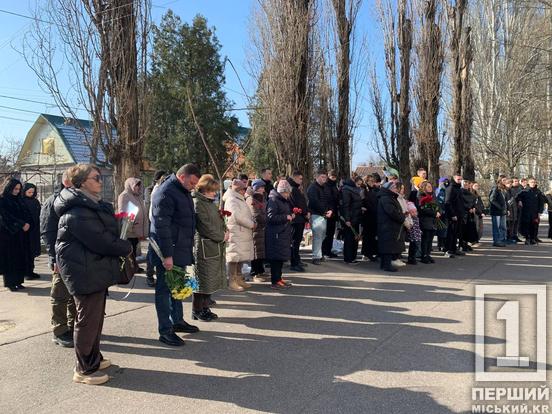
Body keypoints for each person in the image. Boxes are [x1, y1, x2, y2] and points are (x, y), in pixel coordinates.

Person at [54, 164, 132, 385]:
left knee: (95, 319)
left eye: (100, 177)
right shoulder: (77, 211)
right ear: (81, 183)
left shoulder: (90, 205)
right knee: (87, 321)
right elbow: (101, 241)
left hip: (92, 269)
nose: (100, 181)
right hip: (84, 272)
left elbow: (105, 233)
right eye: (96, 177)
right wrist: (124, 247)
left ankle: (93, 358)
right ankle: (84, 369)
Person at [150, 164, 201, 347]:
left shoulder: (182, 190)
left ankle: (177, 320)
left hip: (181, 248)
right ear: (182, 176)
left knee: (178, 287)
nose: (194, 186)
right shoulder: (165, 192)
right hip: (168, 251)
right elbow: (161, 227)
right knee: (164, 291)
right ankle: (165, 330)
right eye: (192, 182)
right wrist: (167, 255)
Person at [41, 168, 77, 348]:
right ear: (66, 182)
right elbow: (47, 231)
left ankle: (73, 325)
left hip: (75, 256)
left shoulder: (76, 200)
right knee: (60, 294)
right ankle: (60, 331)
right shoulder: (53, 201)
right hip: (60, 257)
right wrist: (53, 258)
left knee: (73, 294)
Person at [192, 175, 228, 322]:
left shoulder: (209, 202)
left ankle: (205, 307)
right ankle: (197, 310)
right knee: (202, 280)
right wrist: (221, 236)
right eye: (212, 190)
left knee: (210, 281)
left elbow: (216, 222)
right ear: (204, 189)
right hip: (204, 247)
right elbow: (205, 226)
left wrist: (225, 231)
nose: (215, 193)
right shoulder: (198, 203)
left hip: (213, 246)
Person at [0, 178, 32, 291]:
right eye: (15, 189)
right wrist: (21, 224)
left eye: (19, 189)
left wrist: (27, 223)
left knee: (19, 258)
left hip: (20, 234)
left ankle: (18, 281)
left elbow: (26, 213)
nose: (17, 191)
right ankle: (10, 283)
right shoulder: (2, 200)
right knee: (10, 260)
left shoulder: (19, 200)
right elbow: (5, 216)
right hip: (8, 235)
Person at [225, 179, 255, 291]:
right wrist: (251, 224)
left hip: (241, 232)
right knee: (234, 257)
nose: (244, 191)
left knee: (240, 257)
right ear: (238, 189)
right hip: (236, 232)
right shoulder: (232, 199)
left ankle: (239, 279)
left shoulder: (239, 199)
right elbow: (236, 216)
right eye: (242, 189)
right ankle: (232, 281)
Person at [266, 180, 294, 289]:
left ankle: (279, 278)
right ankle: (275, 280)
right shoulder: (273, 200)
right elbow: (270, 217)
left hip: (282, 232)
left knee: (280, 258)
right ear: (282, 191)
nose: (288, 195)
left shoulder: (283, 200)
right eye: (286, 193)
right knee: (276, 258)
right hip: (275, 234)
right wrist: (285, 217)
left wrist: (290, 216)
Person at [118, 177, 149, 271]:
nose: (138, 188)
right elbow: (123, 213)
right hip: (130, 230)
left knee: (134, 250)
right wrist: (130, 227)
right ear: (130, 185)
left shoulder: (138, 196)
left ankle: (133, 267)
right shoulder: (124, 195)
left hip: (137, 230)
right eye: (136, 185)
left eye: (139, 186)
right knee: (129, 250)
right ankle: (127, 268)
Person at [377, 181, 406, 272]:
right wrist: (402, 217)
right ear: (389, 189)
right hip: (387, 225)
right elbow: (392, 212)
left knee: (388, 245)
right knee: (388, 246)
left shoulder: (389, 197)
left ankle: (384, 265)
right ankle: (386, 265)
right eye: (393, 187)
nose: (395, 189)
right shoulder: (386, 198)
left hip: (389, 225)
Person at [144, 170, 166, 287]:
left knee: (158, 252)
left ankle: (156, 275)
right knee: (152, 252)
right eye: (163, 178)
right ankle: (149, 275)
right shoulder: (154, 190)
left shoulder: (161, 188)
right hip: (153, 225)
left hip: (158, 225)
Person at [307, 170, 332, 265]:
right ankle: (316, 256)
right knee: (317, 235)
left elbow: (329, 200)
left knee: (322, 235)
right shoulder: (312, 188)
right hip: (316, 214)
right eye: (322, 177)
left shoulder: (326, 187)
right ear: (316, 177)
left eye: (325, 177)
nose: (324, 179)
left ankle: (319, 254)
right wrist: (325, 212)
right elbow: (314, 202)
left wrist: (330, 210)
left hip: (324, 215)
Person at [246, 179, 268, 282]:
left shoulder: (262, 198)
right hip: (256, 228)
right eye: (261, 187)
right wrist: (265, 220)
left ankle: (261, 271)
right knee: (256, 251)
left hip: (262, 228)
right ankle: (255, 272)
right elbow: (255, 213)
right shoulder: (252, 199)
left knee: (261, 251)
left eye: (263, 187)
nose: (263, 189)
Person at [287, 171, 309, 272]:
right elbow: (297, 204)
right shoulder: (292, 189)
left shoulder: (295, 188)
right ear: (295, 178)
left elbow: (302, 202)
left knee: (297, 241)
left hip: (300, 218)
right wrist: (305, 212)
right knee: (294, 242)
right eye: (300, 179)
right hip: (296, 219)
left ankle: (297, 259)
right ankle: (294, 263)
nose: (301, 181)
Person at [516, 177, 546, 245]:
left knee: (534, 226)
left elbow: (541, 202)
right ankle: (527, 238)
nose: (533, 183)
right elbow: (518, 197)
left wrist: (539, 212)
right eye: (532, 182)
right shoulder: (524, 191)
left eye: (534, 182)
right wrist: (519, 200)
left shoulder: (538, 192)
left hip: (535, 212)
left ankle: (533, 238)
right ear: (528, 183)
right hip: (526, 212)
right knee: (526, 225)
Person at [340, 176, 363, 265]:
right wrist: (347, 219)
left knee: (354, 239)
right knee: (349, 239)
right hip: (350, 218)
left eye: (360, 185)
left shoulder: (354, 189)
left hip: (355, 217)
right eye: (358, 184)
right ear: (354, 182)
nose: (359, 186)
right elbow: (346, 205)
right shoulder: (346, 190)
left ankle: (353, 257)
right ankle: (348, 258)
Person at [22, 183, 42, 280]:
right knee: (26, 252)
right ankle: (26, 272)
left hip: (34, 230)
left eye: (32, 192)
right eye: (29, 192)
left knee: (32, 252)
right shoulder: (21, 202)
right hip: (25, 231)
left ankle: (31, 271)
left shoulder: (35, 202)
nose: (31, 194)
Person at [444, 173, 466, 257]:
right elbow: (447, 202)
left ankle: (454, 249)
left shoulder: (459, 189)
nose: (460, 181)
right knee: (451, 233)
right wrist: (452, 214)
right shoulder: (451, 188)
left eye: (461, 179)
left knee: (456, 233)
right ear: (454, 179)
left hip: (459, 214)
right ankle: (448, 250)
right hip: (453, 215)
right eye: (458, 179)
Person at [418, 181, 439, 264]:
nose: (430, 188)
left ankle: (428, 254)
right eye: (428, 187)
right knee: (425, 239)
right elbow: (422, 209)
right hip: (425, 220)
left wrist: (439, 211)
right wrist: (434, 213)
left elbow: (437, 205)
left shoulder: (433, 196)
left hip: (433, 220)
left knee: (430, 239)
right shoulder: (421, 196)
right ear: (424, 188)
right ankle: (424, 255)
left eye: (431, 186)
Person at [361, 173, 380, 262]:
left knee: (372, 236)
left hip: (374, 215)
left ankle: (371, 252)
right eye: (371, 181)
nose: (373, 183)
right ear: (367, 181)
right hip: (367, 216)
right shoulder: (364, 190)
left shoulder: (374, 190)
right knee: (367, 236)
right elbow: (363, 201)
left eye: (374, 181)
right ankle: (366, 253)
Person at [322, 170, 340, 258]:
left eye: (334, 177)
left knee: (330, 233)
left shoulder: (334, 186)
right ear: (328, 176)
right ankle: (324, 251)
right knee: (326, 233)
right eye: (332, 177)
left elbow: (336, 197)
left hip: (334, 212)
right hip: (328, 212)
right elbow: (327, 199)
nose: (333, 178)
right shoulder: (326, 185)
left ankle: (328, 250)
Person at [489, 177, 507, 247]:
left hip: (502, 211)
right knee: (496, 226)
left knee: (502, 226)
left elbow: (504, 200)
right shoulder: (495, 188)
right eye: (504, 180)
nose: (505, 181)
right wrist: (500, 207)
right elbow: (492, 199)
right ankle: (496, 241)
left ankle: (501, 240)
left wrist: (505, 208)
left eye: (506, 180)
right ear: (500, 181)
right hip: (496, 211)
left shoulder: (503, 189)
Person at [436, 178, 449, 251]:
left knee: (444, 229)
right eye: (444, 182)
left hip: (445, 213)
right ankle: (440, 244)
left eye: (446, 182)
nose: (445, 183)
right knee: (441, 229)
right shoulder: (439, 191)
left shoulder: (446, 190)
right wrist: (440, 211)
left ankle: (443, 244)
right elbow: (439, 202)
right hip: (441, 213)